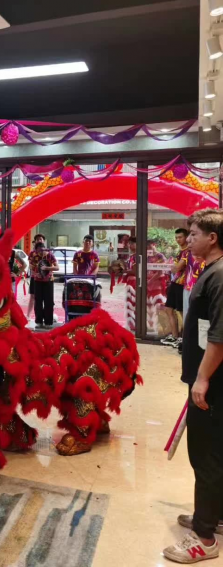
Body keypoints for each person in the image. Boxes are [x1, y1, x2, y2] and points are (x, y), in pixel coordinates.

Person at [163, 209, 223, 564]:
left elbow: (218, 335)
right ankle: (213, 516)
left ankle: (204, 537)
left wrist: (202, 378)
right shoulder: (209, 270)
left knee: (206, 455)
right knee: (214, 451)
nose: (189, 240)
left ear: (212, 238)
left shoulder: (220, 275)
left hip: (212, 382)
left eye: (195, 234)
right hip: (207, 378)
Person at [162, 228, 190, 348]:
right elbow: (175, 268)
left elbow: (177, 268)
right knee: (168, 309)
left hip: (182, 284)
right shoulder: (181, 251)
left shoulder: (188, 251)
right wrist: (175, 267)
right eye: (176, 237)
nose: (178, 240)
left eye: (180, 237)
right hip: (175, 283)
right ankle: (175, 336)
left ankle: (184, 339)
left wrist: (175, 267)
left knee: (183, 312)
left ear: (187, 237)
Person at [29, 241, 58, 328]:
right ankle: (39, 321)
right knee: (38, 301)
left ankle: (48, 322)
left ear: (44, 249)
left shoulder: (50, 255)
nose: (40, 253)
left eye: (42, 250)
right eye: (38, 251)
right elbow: (31, 268)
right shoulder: (35, 256)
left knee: (48, 301)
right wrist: (35, 274)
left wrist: (47, 268)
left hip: (48, 281)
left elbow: (57, 267)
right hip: (37, 281)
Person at [26, 233, 46, 320]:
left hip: (45, 279)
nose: (39, 240)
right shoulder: (32, 253)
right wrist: (35, 274)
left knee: (44, 297)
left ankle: (44, 316)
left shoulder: (47, 252)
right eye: (37, 239)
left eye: (40, 239)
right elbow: (30, 265)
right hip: (35, 278)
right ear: (35, 242)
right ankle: (28, 315)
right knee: (32, 296)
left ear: (43, 241)